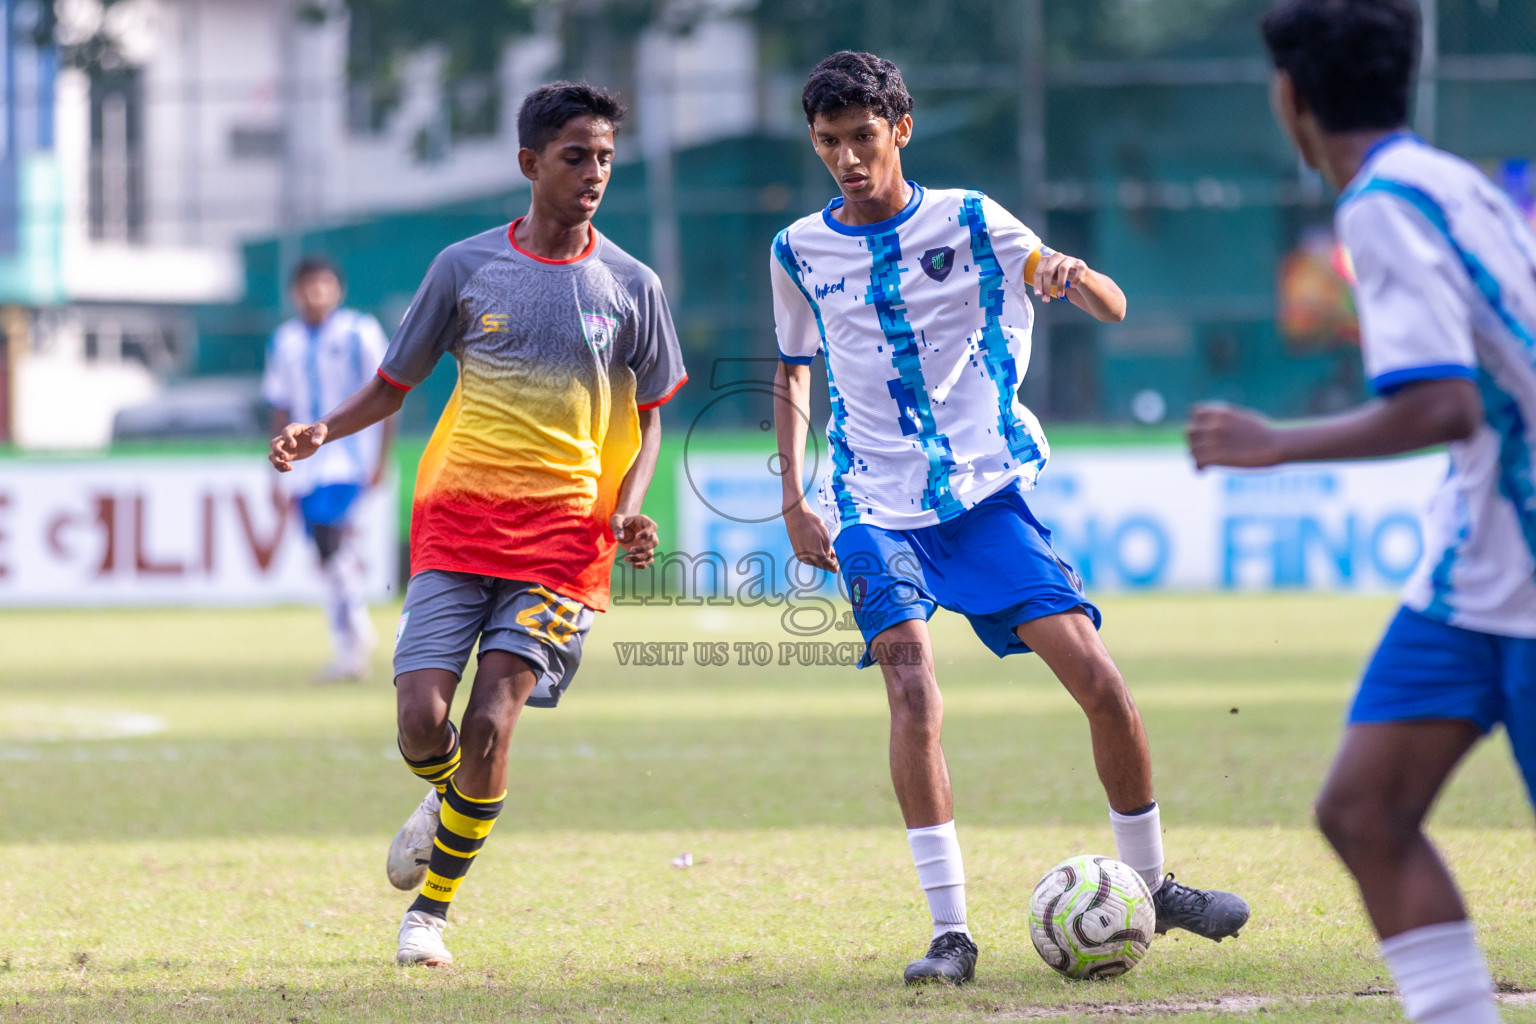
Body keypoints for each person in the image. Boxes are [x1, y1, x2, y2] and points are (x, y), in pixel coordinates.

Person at [769, 51, 1250, 986]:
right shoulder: (796, 249)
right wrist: (793, 496)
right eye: (829, 143)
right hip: (869, 503)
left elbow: (1111, 304)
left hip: (984, 496)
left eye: (863, 138)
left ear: (901, 130)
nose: (847, 159)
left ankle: (1153, 886)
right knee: (912, 690)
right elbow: (792, 370)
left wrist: (1069, 276)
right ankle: (950, 934)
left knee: (1100, 683)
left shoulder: (973, 220)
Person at [268, 81, 687, 967]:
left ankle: (431, 913)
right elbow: (394, 382)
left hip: (564, 541)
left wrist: (629, 502)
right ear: (531, 163)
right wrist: (323, 429)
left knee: (493, 720)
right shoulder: (464, 268)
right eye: (577, 155)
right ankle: (450, 797)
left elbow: (650, 413)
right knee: (422, 719)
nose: (595, 173)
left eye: (607, 156)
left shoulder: (633, 285)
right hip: (456, 525)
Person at [1188, 2, 1535, 1021]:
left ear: (1290, 97)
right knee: (1364, 808)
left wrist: (1274, 443)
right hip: (1478, 571)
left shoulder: (1382, 203)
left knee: (1367, 811)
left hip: (1524, 563)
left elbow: (1446, 402)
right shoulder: (1448, 178)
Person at [262, 257, 392, 680]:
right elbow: (279, 403)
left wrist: (381, 457)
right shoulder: (284, 341)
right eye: (308, 285)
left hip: (349, 457)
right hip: (306, 466)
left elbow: (389, 391)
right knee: (327, 550)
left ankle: (355, 638)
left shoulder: (361, 331)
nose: (316, 292)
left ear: (338, 289)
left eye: (324, 283)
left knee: (330, 537)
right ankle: (350, 639)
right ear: (295, 292)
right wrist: (275, 460)